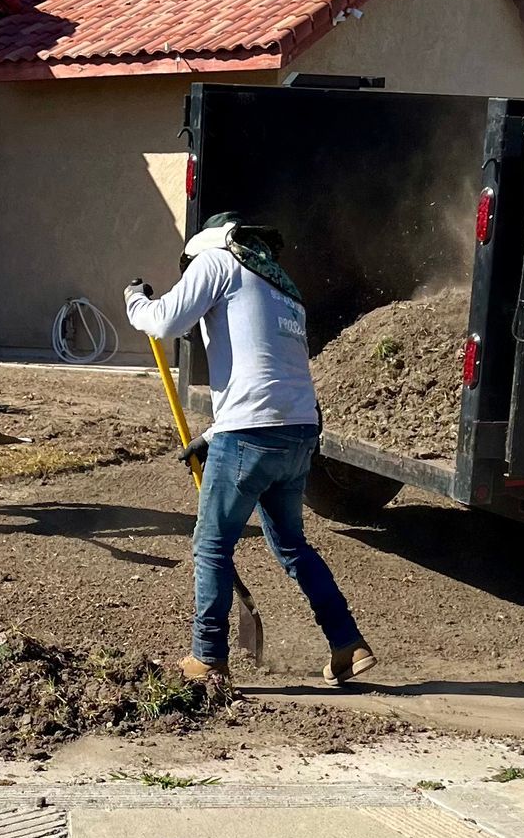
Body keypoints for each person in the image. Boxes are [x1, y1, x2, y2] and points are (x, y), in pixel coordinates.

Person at [125, 213, 374, 694]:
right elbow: (268, 370)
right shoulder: (282, 287)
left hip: (251, 435)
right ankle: (348, 643)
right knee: (292, 546)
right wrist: (216, 432)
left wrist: (136, 301)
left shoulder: (216, 260)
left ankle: (207, 658)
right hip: (297, 433)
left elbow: (164, 323)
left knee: (212, 544)